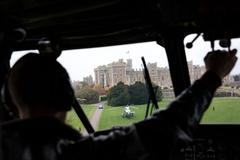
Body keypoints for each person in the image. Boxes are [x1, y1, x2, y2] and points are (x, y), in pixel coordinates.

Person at [0, 50, 237, 160]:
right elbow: (164, 129)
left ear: (9, 102)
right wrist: (214, 75)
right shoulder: (75, 154)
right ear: (66, 97)